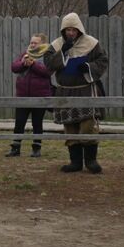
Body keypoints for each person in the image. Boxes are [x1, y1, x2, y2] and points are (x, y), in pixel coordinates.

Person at [44, 13, 108, 174]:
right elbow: (48, 64)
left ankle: (91, 161)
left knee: (87, 125)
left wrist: (88, 67)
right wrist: (63, 52)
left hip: (85, 89)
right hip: (65, 91)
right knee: (70, 126)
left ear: (79, 29)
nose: (70, 33)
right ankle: (75, 162)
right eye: (68, 30)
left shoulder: (91, 44)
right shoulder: (57, 45)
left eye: (73, 29)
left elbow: (102, 60)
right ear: (63, 31)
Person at [6, 33, 52, 158]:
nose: (32, 45)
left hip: (40, 97)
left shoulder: (47, 55)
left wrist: (33, 64)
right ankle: (15, 148)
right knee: (19, 122)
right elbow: (14, 67)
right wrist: (23, 63)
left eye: (35, 43)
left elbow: (48, 71)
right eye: (31, 42)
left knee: (37, 123)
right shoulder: (25, 53)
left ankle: (36, 148)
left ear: (42, 44)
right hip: (22, 96)